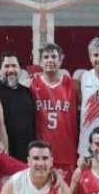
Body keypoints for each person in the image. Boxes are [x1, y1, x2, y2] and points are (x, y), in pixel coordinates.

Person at [27, 43, 79, 178]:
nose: (50, 60)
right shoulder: (30, 84)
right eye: (46, 57)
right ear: (40, 62)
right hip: (40, 154)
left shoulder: (73, 85)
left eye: (54, 57)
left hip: (66, 152)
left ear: (61, 60)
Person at [0, 51, 36, 161]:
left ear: (21, 70)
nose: (11, 70)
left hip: (25, 154)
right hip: (1, 154)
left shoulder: (27, 92)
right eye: (6, 66)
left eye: (14, 66)